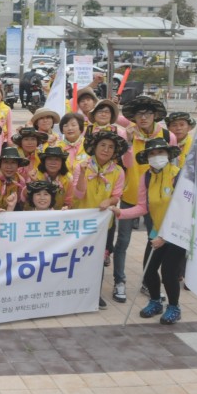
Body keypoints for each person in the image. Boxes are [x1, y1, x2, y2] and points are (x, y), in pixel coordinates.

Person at [112, 137, 184, 324]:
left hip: (175, 235)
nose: (156, 156)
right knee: (149, 270)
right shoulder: (147, 177)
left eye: (160, 152)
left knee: (169, 274)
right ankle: (155, 301)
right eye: (152, 153)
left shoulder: (179, 176)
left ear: (168, 154)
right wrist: (120, 212)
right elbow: (143, 207)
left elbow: (182, 212)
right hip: (156, 232)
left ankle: (174, 306)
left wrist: (165, 237)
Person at [115, 95, 175, 303]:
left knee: (154, 241)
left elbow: (171, 167)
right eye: (139, 114)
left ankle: (148, 283)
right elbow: (127, 163)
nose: (143, 118)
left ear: (155, 115)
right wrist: (128, 142)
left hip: (157, 199)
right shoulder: (127, 134)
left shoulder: (167, 135)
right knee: (122, 242)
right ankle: (119, 281)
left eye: (148, 114)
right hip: (130, 196)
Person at [73, 129, 128, 309]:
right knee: (77, 258)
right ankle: (74, 291)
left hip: (105, 224)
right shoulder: (81, 166)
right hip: (81, 222)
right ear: (94, 147)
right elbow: (79, 194)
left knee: (98, 259)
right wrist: (82, 174)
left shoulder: (118, 171)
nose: (106, 150)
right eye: (102, 145)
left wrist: (109, 200)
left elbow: (116, 195)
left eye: (111, 147)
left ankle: (94, 293)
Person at [165, 111, 197, 209]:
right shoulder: (163, 147)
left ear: (188, 127)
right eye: (174, 125)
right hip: (167, 198)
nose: (178, 128)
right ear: (168, 128)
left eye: (182, 124)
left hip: (191, 196)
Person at [0, 145, 27, 211]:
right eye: (6, 162)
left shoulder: (20, 180)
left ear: (18, 165)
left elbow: (20, 203)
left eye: (13, 162)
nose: (9, 167)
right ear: (0, 164)